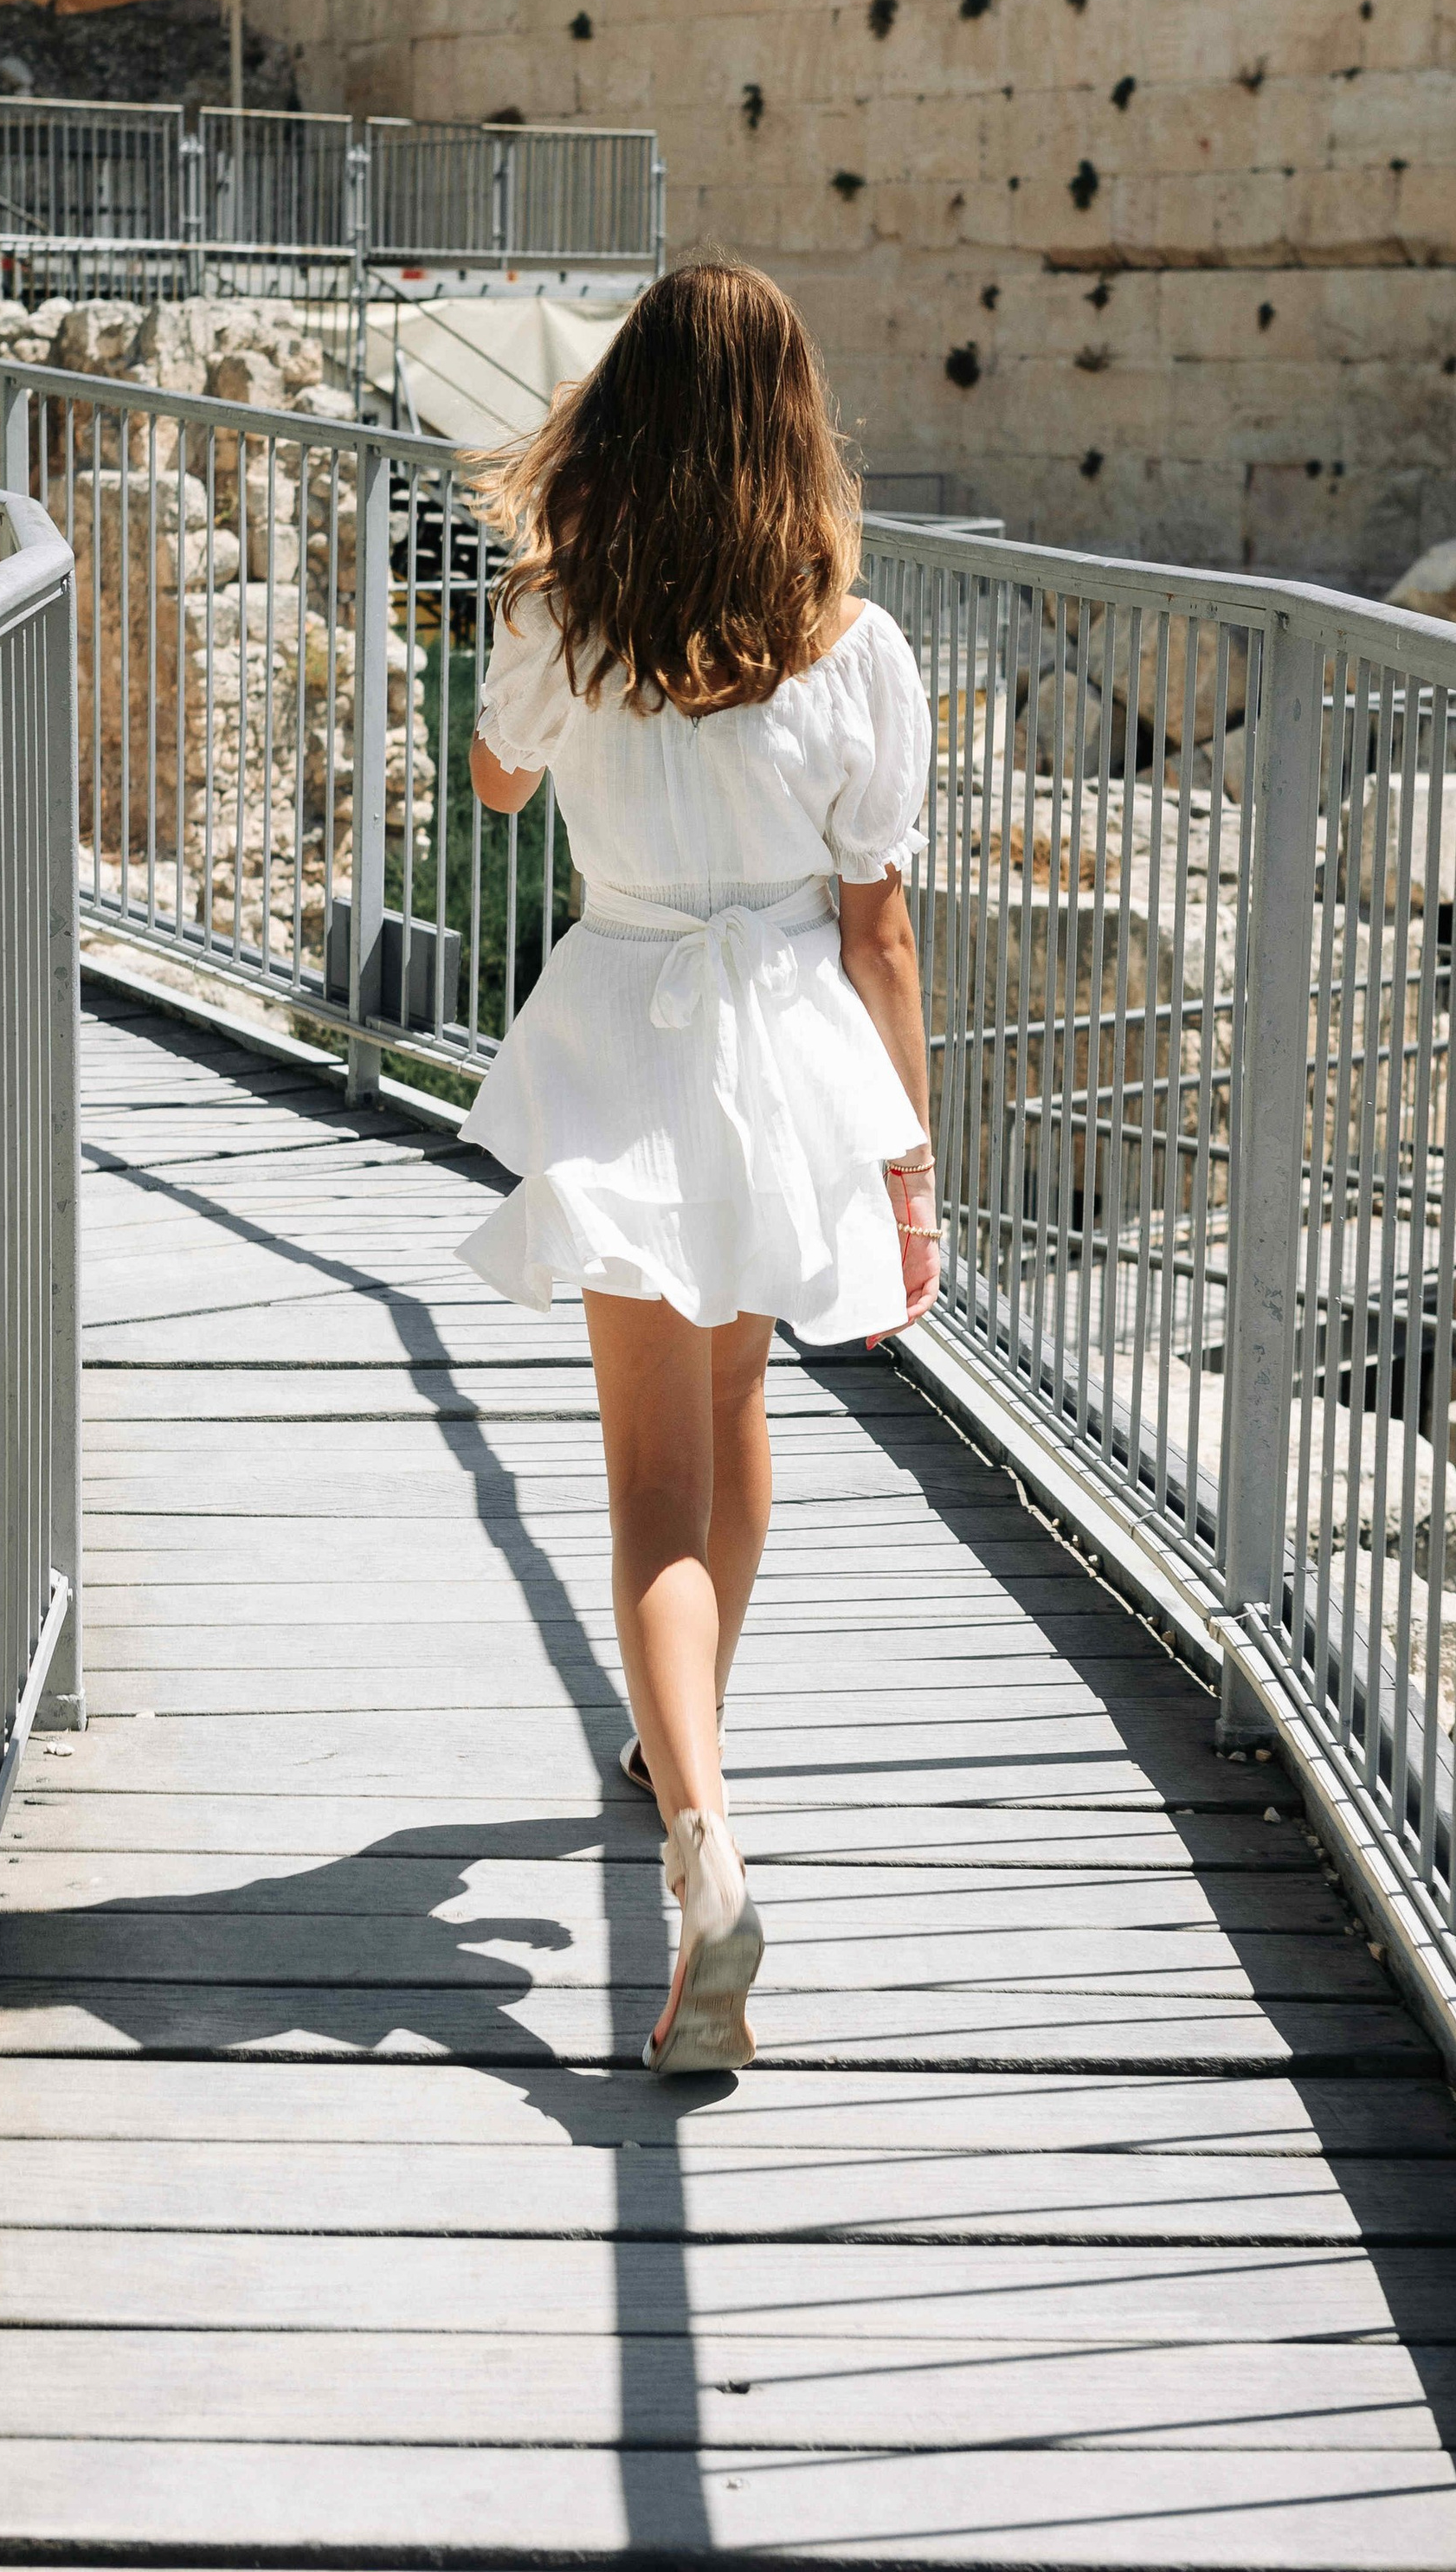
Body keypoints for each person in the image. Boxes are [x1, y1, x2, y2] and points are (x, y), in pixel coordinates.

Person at [460, 259, 939, 2076]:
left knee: (649, 1487)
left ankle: (700, 1840)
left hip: (628, 1041)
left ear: (626, 418)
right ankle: (689, 1747)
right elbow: (880, 933)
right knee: (737, 1423)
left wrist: (552, 582)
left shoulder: (568, 617)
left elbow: (498, 789)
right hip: (793, 1063)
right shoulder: (855, 650)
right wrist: (907, 1169)